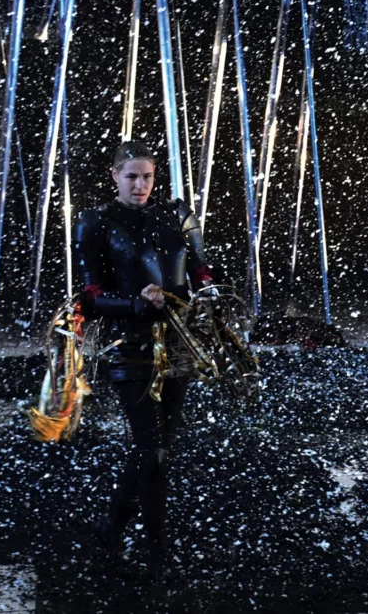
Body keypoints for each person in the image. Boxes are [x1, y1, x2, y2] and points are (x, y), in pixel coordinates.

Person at [73, 140, 213, 578]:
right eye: (131, 176)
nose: (140, 185)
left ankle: (132, 537)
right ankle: (137, 541)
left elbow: (202, 271)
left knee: (160, 451)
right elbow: (91, 296)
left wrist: (208, 297)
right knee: (149, 447)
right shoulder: (96, 221)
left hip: (178, 342)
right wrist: (135, 303)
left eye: (147, 176)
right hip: (128, 345)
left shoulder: (177, 214)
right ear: (115, 175)